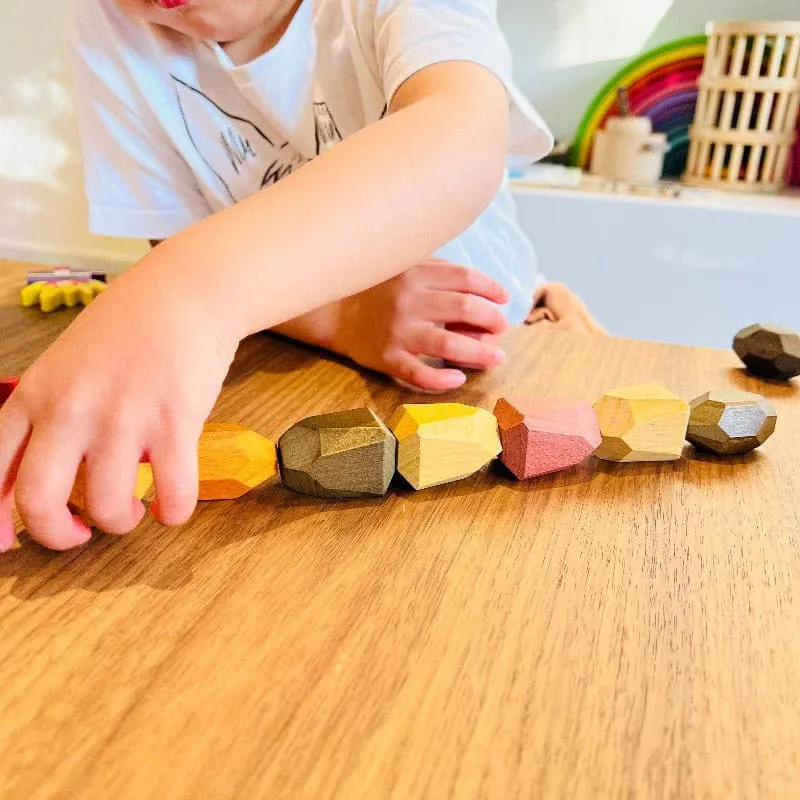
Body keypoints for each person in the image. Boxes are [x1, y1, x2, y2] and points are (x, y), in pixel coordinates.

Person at [0, 0, 603, 553]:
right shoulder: (107, 22)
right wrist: (345, 317)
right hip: (324, 376)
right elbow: (171, 233)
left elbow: (460, 139)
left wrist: (189, 287)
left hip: (503, 354)